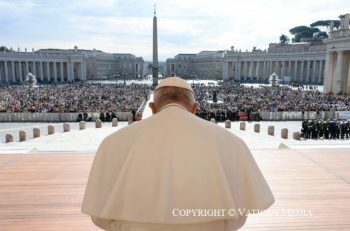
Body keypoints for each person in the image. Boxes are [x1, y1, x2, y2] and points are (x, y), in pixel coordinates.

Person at [81, 77, 274, 231]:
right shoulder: (229, 141)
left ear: (152, 108)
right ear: (195, 108)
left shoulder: (113, 142)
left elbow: (99, 217)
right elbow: (239, 216)